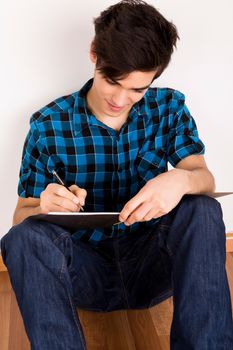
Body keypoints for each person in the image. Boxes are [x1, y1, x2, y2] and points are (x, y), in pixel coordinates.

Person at [1, 0, 233, 349]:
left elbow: (204, 177)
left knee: (203, 209)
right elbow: (21, 218)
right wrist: (45, 209)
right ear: (94, 55)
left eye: (138, 89)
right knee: (22, 238)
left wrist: (180, 180)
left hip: (153, 266)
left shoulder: (168, 108)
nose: (121, 100)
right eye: (113, 81)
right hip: (84, 273)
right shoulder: (48, 125)